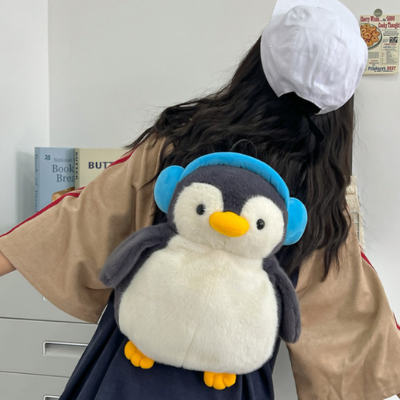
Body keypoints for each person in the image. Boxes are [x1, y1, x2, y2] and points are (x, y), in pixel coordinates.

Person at [1, 0, 399, 399]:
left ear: (259, 61)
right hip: (227, 384)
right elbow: (355, 328)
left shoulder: (176, 146)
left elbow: (80, 220)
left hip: (129, 369)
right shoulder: (320, 202)